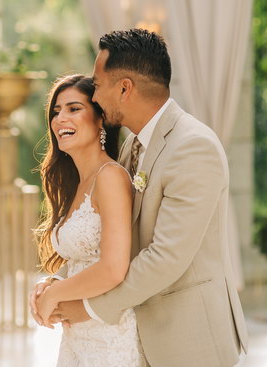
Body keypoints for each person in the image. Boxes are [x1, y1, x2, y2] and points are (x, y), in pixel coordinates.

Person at [30, 29, 248, 367]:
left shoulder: (193, 147)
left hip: (187, 339)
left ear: (124, 88)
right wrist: (60, 283)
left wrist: (84, 306)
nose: (96, 96)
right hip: (137, 331)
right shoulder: (134, 145)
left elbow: (165, 258)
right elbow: (117, 240)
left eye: (98, 85)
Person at [33, 74, 144, 366]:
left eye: (73, 108)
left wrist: (54, 295)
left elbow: (112, 268)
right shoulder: (76, 183)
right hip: (77, 337)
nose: (60, 119)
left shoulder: (110, 177)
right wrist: (52, 281)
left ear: (99, 121)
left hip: (110, 338)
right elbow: (86, 257)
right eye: (56, 111)